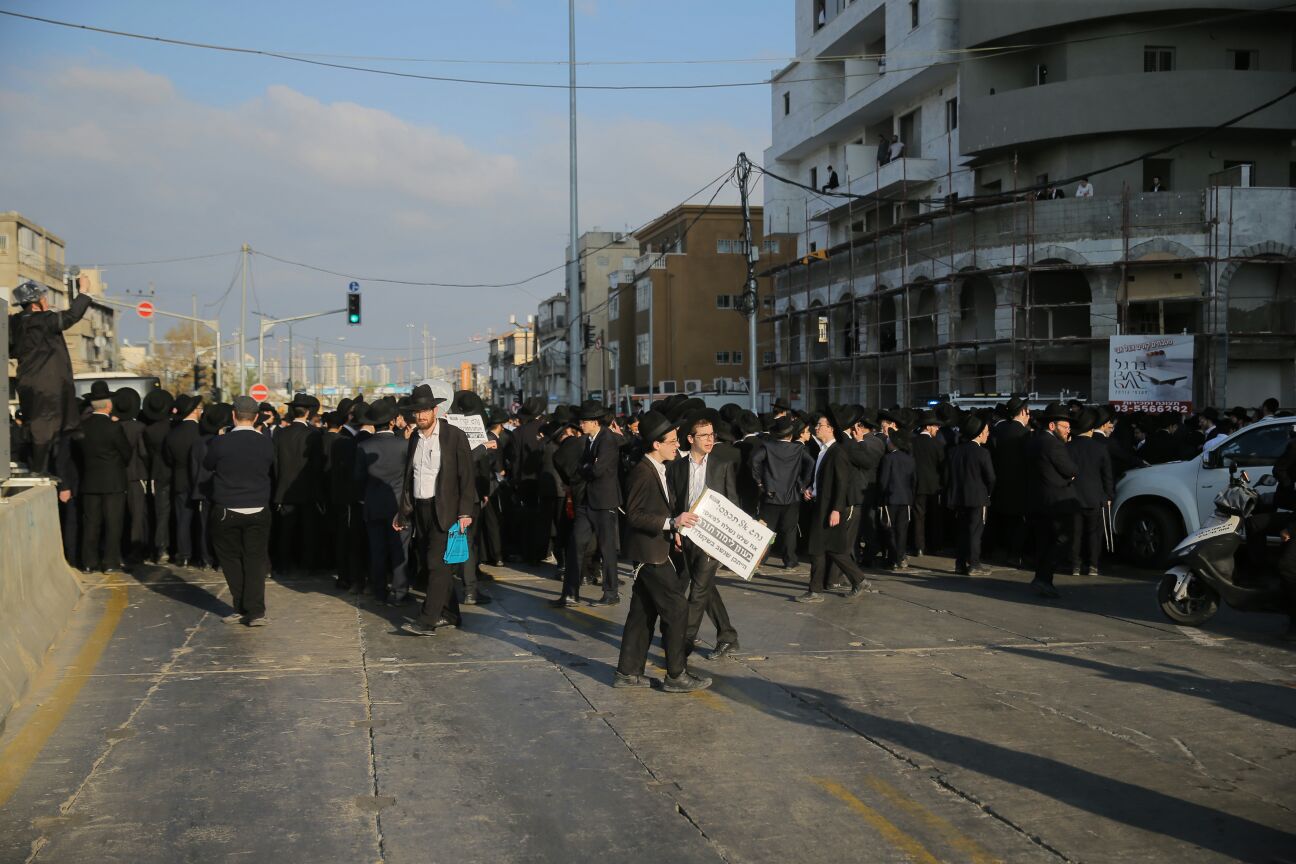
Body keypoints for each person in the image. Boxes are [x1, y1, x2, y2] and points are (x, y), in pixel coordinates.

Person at [613, 410, 712, 693]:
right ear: (656, 444)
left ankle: (627, 672)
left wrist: (673, 530)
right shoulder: (642, 472)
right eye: (671, 441)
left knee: (642, 613)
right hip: (649, 554)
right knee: (677, 608)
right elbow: (633, 515)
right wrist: (671, 522)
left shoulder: (659, 468)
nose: (677, 446)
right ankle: (675, 675)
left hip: (657, 548)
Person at [399, 385, 476, 637]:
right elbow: (409, 477)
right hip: (420, 509)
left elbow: (466, 476)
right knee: (432, 564)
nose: (420, 417)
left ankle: (427, 620)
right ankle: (451, 613)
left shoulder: (454, 436)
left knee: (437, 564)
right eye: (416, 412)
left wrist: (465, 512)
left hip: (446, 509)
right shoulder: (414, 438)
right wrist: (402, 511)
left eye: (424, 411)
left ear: (434, 410)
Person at [669, 414, 741, 659]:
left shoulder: (721, 465)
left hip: (712, 540)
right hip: (687, 535)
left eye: (712, 435)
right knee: (707, 588)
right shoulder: (677, 466)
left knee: (698, 591)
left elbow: (733, 505)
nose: (710, 440)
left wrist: (726, 542)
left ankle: (682, 644)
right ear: (690, 439)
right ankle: (728, 636)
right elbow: (675, 502)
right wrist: (676, 531)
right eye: (704, 436)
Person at [8, 279, 93, 472]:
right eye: (42, 297)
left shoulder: (14, 323)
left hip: (27, 383)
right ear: (35, 302)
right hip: (47, 384)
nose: (46, 300)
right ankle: (40, 470)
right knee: (45, 427)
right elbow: (71, 316)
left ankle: (38, 466)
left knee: (37, 425)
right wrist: (84, 292)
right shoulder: (43, 320)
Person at [203, 395, 274, 626]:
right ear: (255, 418)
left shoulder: (221, 442)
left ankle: (241, 605)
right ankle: (256, 611)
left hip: (227, 507)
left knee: (230, 558)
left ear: (233, 415)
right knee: (255, 558)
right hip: (258, 507)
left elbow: (208, 464)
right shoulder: (266, 442)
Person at [800, 406, 871, 602]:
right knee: (830, 549)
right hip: (820, 503)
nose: (816, 428)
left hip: (829, 508)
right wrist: (811, 489)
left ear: (831, 428)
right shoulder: (823, 451)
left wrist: (836, 510)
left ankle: (815, 591)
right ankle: (859, 580)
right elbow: (822, 479)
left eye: (820, 425)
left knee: (818, 548)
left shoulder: (837, 452)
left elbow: (842, 484)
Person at [559, 401, 623, 607]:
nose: (581, 424)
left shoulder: (607, 440)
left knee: (607, 548)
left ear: (594, 422)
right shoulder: (590, 440)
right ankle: (570, 593)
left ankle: (611, 592)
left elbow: (597, 470)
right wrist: (588, 466)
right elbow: (583, 466)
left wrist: (588, 467)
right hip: (587, 501)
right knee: (575, 543)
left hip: (604, 502)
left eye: (584, 421)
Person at [355, 398, 413, 606]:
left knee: (377, 550)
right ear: (391, 422)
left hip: (373, 505)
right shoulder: (404, 445)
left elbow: (358, 478)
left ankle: (379, 591)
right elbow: (410, 476)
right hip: (399, 506)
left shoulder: (363, 446)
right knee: (400, 550)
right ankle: (399, 592)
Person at [75, 380, 132, 574]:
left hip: (90, 481)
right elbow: (126, 453)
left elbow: (77, 455)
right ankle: (110, 562)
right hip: (113, 482)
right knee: (113, 523)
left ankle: (89, 562)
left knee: (91, 523)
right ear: (109, 405)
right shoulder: (114, 427)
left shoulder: (83, 427)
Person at [1027, 403, 1078, 598]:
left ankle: (1042, 579)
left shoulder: (1034, 440)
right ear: (1052, 426)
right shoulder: (1053, 444)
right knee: (1062, 540)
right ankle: (1043, 578)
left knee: (1044, 542)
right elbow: (1071, 469)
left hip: (1039, 500)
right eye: (1064, 427)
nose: (1068, 431)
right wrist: (1070, 475)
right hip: (1056, 501)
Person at [273, 393, 325, 575]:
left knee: (285, 530)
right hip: (308, 490)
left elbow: (276, 463)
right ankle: (308, 564)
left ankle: (283, 564)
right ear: (308, 412)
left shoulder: (280, 434)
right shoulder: (314, 434)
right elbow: (318, 465)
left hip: (285, 490)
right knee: (309, 530)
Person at [751, 415, 812, 568]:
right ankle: (790, 560)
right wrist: (803, 483)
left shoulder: (767, 446)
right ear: (791, 434)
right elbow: (810, 462)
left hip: (770, 494)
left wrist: (759, 482)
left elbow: (754, 461)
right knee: (789, 530)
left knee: (766, 529)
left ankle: (760, 559)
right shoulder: (798, 448)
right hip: (792, 495)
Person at [946, 414, 995, 576]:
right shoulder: (983, 453)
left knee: (961, 531)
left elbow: (948, 476)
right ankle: (974, 564)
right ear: (979, 433)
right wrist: (988, 493)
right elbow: (991, 478)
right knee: (975, 532)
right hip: (978, 498)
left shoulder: (954, 451)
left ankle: (960, 563)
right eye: (986, 431)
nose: (988, 434)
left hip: (959, 497)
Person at [1068, 408, 1114, 577]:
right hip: (1095, 497)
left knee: (1075, 533)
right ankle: (1093, 565)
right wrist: (1109, 495)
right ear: (1091, 428)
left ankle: (1075, 565)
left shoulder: (1068, 447)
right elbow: (1107, 475)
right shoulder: (1100, 448)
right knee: (1094, 534)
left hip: (1072, 497)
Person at [111, 387, 151, 566]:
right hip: (136, 475)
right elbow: (143, 452)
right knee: (137, 514)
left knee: (120, 514)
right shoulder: (139, 428)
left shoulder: (113, 427)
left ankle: (121, 549)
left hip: (117, 476)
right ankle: (136, 550)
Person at [164, 394, 204, 567]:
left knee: (183, 518)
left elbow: (168, 459)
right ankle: (202, 554)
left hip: (180, 480)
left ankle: (184, 554)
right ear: (195, 411)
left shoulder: (172, 434)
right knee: (202, 519)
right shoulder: (201, 432)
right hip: (200, 481)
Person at [140, 388, 175, 562]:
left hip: (157, 472)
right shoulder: (173, 427)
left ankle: (161, 547)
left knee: (161, 511)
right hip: (173, 471)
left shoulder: (148, 431)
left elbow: (146, 454)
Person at [879, 427, 917, 569]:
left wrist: (881, 499)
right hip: (906, 499)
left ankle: (893, 558)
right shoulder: (910, 460)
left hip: (890, 499)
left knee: (890, 530)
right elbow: (914, 481)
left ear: (893, 444)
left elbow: (883, 481)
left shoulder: (888, 459)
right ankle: (901, 557)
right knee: (902, 531)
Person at [911, 412, 946, 556]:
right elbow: (942, 465)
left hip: (917, 485)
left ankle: (919, 546)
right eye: (935, 425)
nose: (937, 428)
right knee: (934, 517)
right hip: (934, 486)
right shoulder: (937, 444)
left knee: (918, 517)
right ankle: (934, 546)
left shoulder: (912, 442)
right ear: (927, 426)